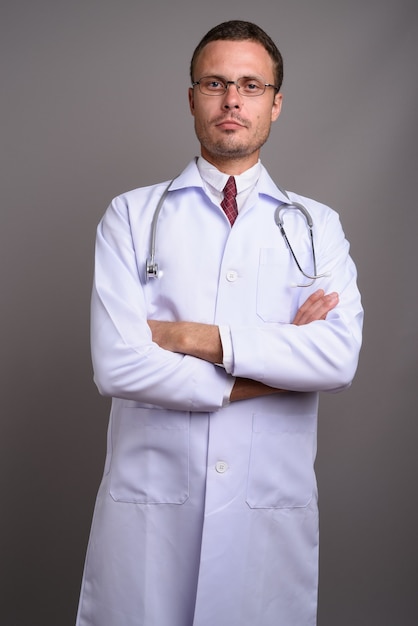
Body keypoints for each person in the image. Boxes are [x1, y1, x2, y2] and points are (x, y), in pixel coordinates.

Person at [76, 20, 363, 626]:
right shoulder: (131, 215)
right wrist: (278, 358)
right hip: (154, 511)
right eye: (216, 83)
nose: (233, 100)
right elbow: (117, 362)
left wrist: (182, 337)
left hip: (266, 511)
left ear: (276, 103)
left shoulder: (318, 226)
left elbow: (336, 358)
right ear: (191, 97)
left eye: (252, 85)